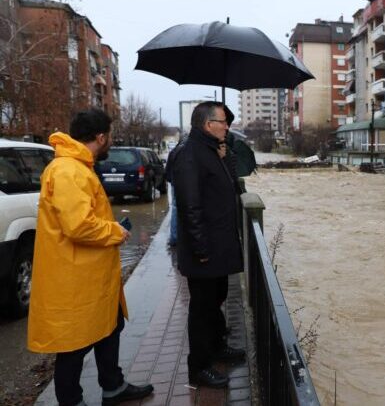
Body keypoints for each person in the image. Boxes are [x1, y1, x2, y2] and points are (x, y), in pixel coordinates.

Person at [27, 109, 154, 406]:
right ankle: (72, 401)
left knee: (111, 327)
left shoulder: (77, 167)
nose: (110, 140)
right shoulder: (69, 170)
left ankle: (113, 386)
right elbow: (78, 225)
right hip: (75, 277)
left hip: (91, 274)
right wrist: (114, 232)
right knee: (73, 345)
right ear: (100, 137)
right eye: (109, 135)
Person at [172, 101, 245, 388]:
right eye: (222, 121)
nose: (227, 126)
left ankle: (216, 348)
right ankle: (199, 369)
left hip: (219, 245)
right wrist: (201, 249)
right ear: (207, 125)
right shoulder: (190, 155)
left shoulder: (212, 151)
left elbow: (231, 186)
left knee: (216, 300)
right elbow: (190, 206)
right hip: (205, 250)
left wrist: (226, 158)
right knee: (201, 309)